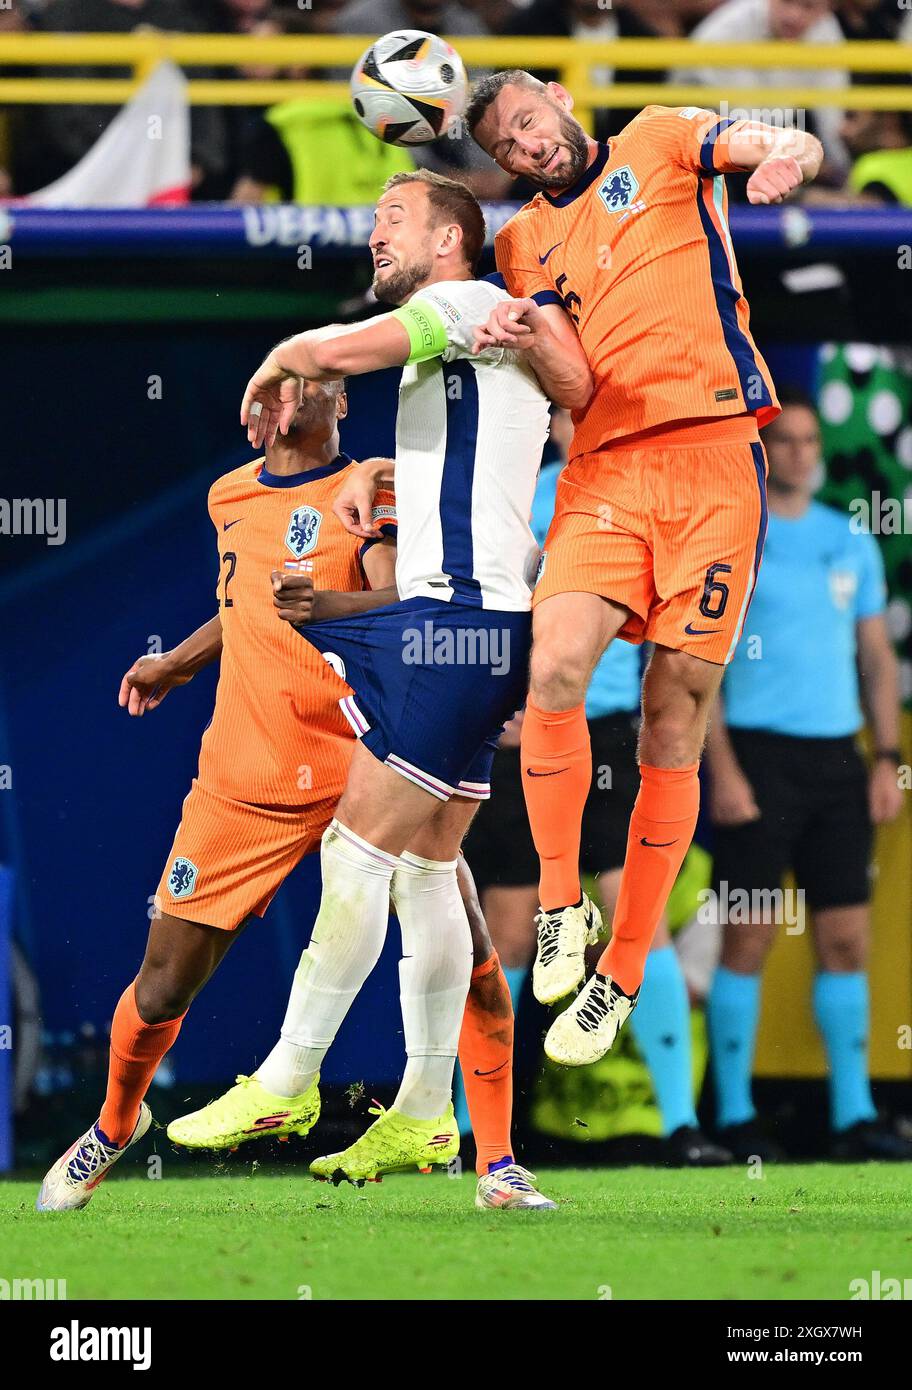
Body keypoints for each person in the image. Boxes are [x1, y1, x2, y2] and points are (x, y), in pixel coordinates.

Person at [36, 379, 554, 1212]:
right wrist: (179, 660)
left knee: (478, 963)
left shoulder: (365, 494)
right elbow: (245, 603)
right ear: (253, 413)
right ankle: (112, 1126)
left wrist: (346, 610)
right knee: (164, 984)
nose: (302, 390)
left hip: (369, 762)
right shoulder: (227, 496)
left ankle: (496, 1165)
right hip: (245, 779)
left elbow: (409, 601)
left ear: (341, 406)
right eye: (283, 382)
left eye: (320, 381)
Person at [168, 168, 590, 1189]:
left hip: (456, 619)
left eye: (392, 215)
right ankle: (422, 1111)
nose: (374, 232)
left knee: (357, 849)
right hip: (476, 618)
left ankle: (289, 1075)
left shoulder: (457, 303)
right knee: (427, 864)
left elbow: (327, 349)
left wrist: (278, 361)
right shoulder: (491, 327)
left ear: (451, 235)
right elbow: (510, 446)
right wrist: (380, 475)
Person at [465, 70, 822, 1068]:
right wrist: (529, 337)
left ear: (561, 100)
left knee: (676, 707)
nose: (532, 147)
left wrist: (790, 155)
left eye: (533, 121)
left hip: (713, 458)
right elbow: (574, 382)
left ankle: (621, 970)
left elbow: (774, 141)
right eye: (509, 147)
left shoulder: (661, 137)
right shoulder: (519, 242)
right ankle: (563, 903)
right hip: (606, 469)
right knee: (554, 669)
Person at [463, 408, 732, 1166]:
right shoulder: (524, 501)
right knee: (508, 932)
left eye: (592, 412)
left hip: (615, 728)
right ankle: (468, 1135)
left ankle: (681, 1125)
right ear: (547, 426)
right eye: (568, 415)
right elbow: (487, 610)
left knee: (633, 923)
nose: (580, 424)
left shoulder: (657, 491)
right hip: (529, 734)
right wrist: (500, 703)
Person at [704, 388, 912, 1162]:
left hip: (837, 762)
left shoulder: (848, 539)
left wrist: (884, 759)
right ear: (763, 452)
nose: (799, 452)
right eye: (785, 440)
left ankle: (854, 1115)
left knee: (847, 939)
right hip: (757, 757)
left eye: (809, 441)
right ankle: (732, 1114)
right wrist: (721, 770)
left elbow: (876, 657)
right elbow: (704, 665)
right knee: (747, 937)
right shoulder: (738, 539)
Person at [673, 0, 848, 178]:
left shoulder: (826, 30)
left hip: (768, 130)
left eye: (808, 6)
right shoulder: (727, 33)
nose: (794, 15)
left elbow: (830, 113)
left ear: (827, 9)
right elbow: (745, 125)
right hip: (699, 140)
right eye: (786, 3)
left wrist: (839, 168)